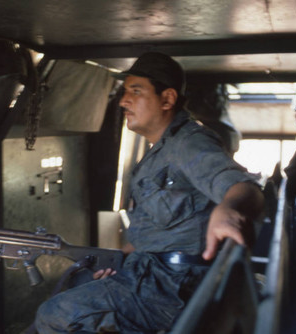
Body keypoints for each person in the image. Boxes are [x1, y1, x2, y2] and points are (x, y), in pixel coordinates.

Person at [34, 52, 264, 333]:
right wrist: (120, 257)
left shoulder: (188, 144)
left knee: (54, 314)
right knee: (76, 283)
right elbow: (164, 228)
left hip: (170, 287)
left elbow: (244, 187)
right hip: (150, 271)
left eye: (136, 91)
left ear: (167, 99)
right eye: (124, 91)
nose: (123, 101)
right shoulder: (161, 149)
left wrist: (228, 209)